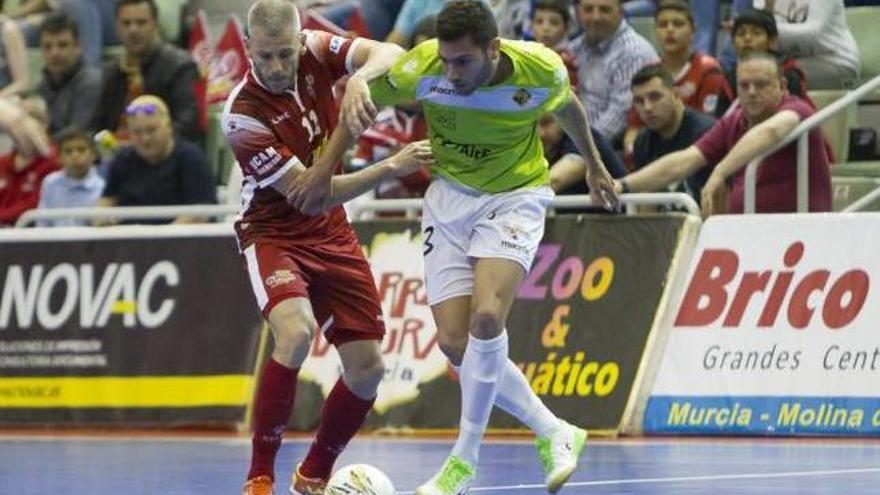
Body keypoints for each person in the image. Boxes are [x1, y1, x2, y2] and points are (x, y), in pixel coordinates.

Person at [363, 2, 620, 494]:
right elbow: (370, 80)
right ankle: (554, 430)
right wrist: (358, 83)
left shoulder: (538, 67)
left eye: (463, 62)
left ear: (492, 49)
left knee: (486, 320)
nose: (452, 72)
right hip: (448, 201)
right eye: (446, 61)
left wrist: (593, 163)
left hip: (514, 198)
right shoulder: (423, 68)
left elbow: (566, 107)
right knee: (455, 343)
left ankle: (462, 461)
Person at [220, 2, 431, 494]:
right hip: (274, 230)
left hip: (330, 231)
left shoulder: (317, 49)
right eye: (265, 57)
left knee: (368, 371)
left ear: (300, 42)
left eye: (285, 55)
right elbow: (313, 194)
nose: (276, 68)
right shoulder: (242, 117)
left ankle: (312, 474)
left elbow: (390, 52)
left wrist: (360, 78)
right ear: (248, 49)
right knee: (295, 334)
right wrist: (382, 163)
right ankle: (259, 477)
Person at [617, 53, 832, 215]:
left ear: (782, 85)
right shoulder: (734, 121)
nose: (752, 92)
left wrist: (719, 171)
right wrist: (622, 185)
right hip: (747, 236)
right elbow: (684, 161)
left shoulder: (797, 108)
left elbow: (771, 131)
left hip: (800, 236)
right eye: (744, 85)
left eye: (761, 84)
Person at [92, 0, 201, 143]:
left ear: (155, 24)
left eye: (141, 22)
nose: (133, 30)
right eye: (126, 23)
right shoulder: (111, 71)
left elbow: (186, 125)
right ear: (117, 27)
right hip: (113, 155)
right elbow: (97, 126)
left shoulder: (180, 66)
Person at [97, 95, 215, 225]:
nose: (145, 139)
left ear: (169, 127)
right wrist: (101, 219)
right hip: (128, 239)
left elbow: (200, 213)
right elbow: (105, 201)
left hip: (179, 241)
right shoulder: (122, 159)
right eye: (137, 132)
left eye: (151, 130)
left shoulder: (192, 159)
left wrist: (160, 239)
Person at [571, 0, 659, 141]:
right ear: (578, 13)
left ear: (620, 12)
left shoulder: (633, 52)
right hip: (577, 139)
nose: (596, 17)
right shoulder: (575, 48)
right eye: (588, 9)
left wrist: (577, 145)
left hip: (609, 147)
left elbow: (618, 120)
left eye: (604, 10)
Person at [629, 64, 716, 205]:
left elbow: (720, 198)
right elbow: (646, 205)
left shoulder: (708, 133)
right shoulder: (642, 141)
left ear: (675, 94)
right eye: (639, 101)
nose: (647, 107)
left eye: (655, 97)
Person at [767, 0, 860, 88]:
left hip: (833, 61)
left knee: (774, 79)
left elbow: (813, 33)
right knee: (759, 73)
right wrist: (768, 8)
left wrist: (766, 29)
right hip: (790, 60)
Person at [35, 12, 102, 135]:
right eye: (47, 47)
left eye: (62, 45)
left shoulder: (91, 84)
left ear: (78, 47)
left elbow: (76, 135)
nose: (54, 53)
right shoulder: (41, 88)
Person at [36, 126, 104, 226]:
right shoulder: (50, 183)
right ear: (59, 158)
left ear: (93, 154)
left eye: (81, 150)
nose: (75, 155)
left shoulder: (102, 186)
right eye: (68, 151)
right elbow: (42, 223)